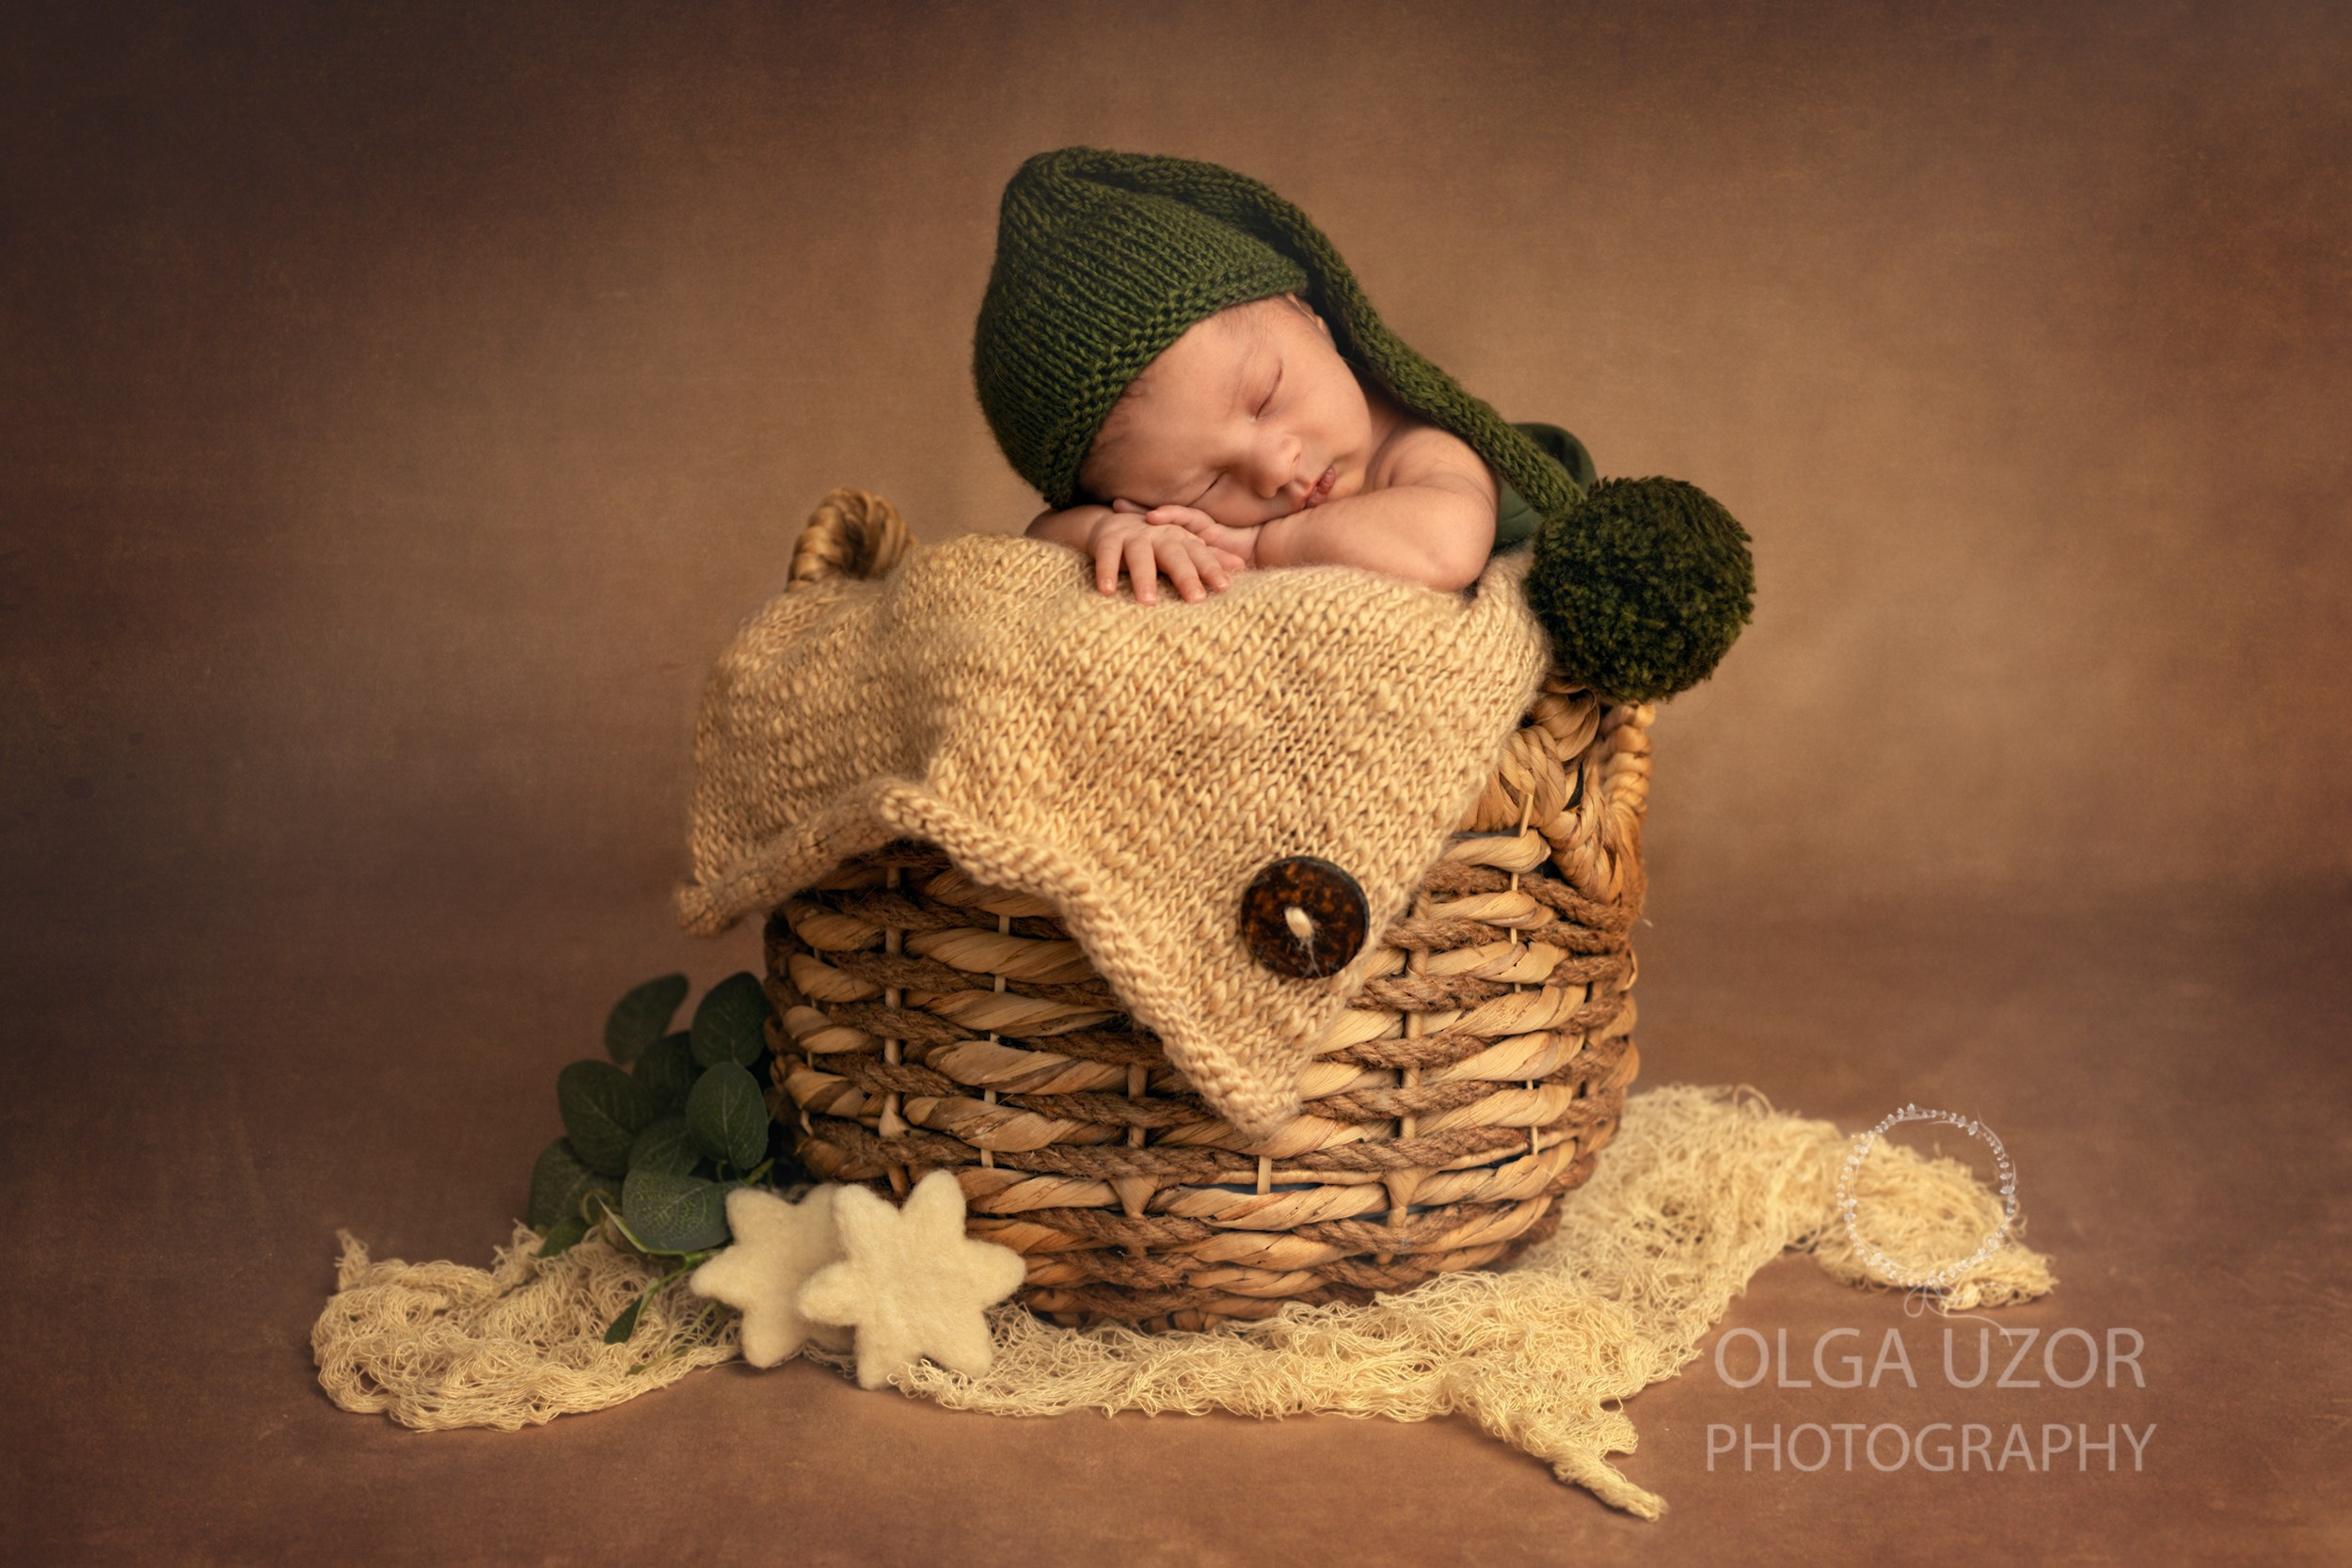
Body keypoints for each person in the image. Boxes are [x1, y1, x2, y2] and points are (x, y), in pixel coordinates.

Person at [974, 148, 1595, 606]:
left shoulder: (1418, 446)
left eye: (1266, 398)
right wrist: (1108, 529)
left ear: (1310, 313)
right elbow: (1040, 537)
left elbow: (1444, 547)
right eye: (1205, 484)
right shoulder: (1135, 505)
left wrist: (1258, 546)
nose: (1271, 467)